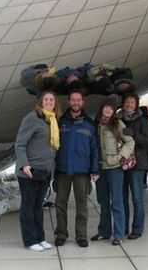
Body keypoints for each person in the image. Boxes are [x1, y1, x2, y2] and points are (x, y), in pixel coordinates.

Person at [15, 91, 60, 252]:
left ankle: (40, 238)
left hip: (44, 172)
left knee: (38, 206)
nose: (49, 102)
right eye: (46, 99)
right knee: (28, 206)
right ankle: (30, 240)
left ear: (55, 103)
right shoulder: (32, 118)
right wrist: (24, 165)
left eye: (51, 99)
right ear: (40, 102)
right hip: (29, 171)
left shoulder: (52, 120)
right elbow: (20, 144)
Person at [54, 90, 99, 248]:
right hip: (62, 170)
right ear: (69, 102)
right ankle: (61, 233)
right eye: (73, 100)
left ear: (83, 102)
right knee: (60, 203)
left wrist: (95, 169)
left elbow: (95, 149)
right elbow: (54, 147)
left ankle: (81, 236)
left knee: (82, 205)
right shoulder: (60, 122)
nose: (75, 102)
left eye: (78, 100)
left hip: (82, 171)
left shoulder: (89, 123)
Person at [91, 101, 134, 245]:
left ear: (114, 111)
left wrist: (121, 157)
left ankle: (119, 234)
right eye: (106, 107)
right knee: (103, 201)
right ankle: (104, 231)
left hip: (115, 168)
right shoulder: (96, 125)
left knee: (117, 202)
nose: (108, 110)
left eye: (111, 108)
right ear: (102, 109)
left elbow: (130, 142)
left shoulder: (118, 124)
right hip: (100, 169)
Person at [119, 93, 148, 239]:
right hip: (121, 163)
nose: (129, 105)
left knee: (137, 198)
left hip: (137, 164)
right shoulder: (118, 119)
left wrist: (134, 135)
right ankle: (124, 227)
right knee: (122, 198)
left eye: (132, 102)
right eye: (127, 102)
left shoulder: (142, 120)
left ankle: (137, 229)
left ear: (136, 104)